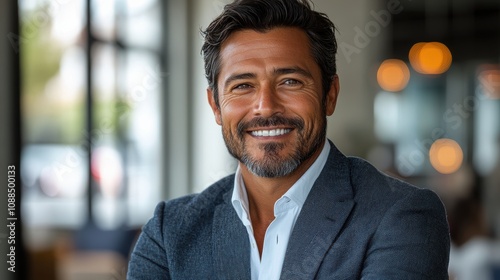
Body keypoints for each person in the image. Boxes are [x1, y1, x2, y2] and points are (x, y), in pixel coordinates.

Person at [127, 0, 450, 279]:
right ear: (215, 105)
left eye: (290, 81)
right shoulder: (170, 232)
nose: (266, 106)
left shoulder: (401, 216)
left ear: (329, 95)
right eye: (242, 86)